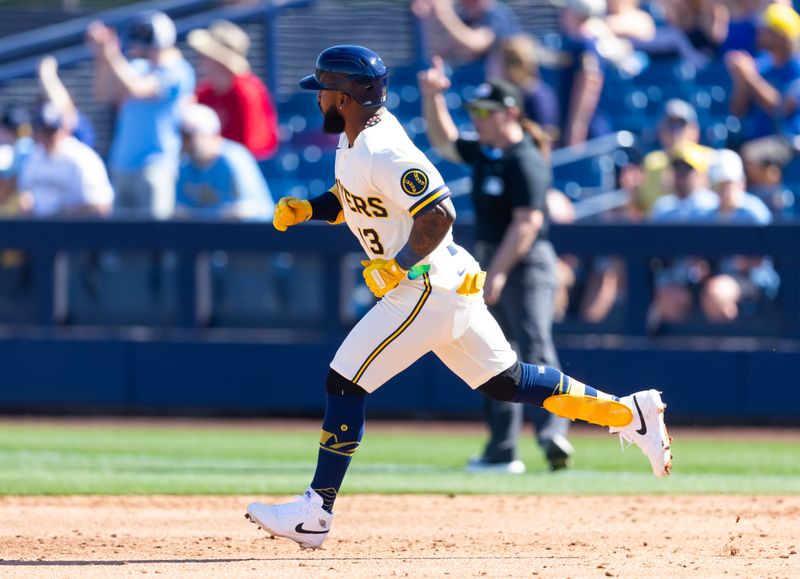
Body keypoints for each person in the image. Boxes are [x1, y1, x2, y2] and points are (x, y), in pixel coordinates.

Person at [244, 45, 672, 550]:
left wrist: (397, 265)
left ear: (343, 96)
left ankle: (317, 510)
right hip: (448, 283)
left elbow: (439, 213)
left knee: (345, 379)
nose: (318, 102)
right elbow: (359, 198)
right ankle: (629, 413)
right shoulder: (356, 142)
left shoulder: (384, 146)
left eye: (323, 93)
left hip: (426, 286)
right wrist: (310, 209)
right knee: (508, 382)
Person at [418, 63, 573, 473]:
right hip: (493, 258)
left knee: (535, 343)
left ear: (510, 113)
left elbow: (528, 223)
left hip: (526, 261)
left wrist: (498, 272)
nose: (478, 118)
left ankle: (553, 430)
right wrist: (434, 97)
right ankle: (502, 449)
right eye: (476, 111)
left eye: (486, 112)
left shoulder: (525, 158)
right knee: (492, 353)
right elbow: (446, 141)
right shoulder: (489, 153)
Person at [87, 10, 195, 219]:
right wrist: (102, 56)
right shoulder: (138, 67)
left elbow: (137, 89)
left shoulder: (178, 71)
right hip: (122, 164)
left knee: (156, 241)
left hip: (156, 165)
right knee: (121, 243)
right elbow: (102, 94)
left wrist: (111, 53)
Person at [727, 3, 800, 213]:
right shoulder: (762, 65)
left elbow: (780, 108)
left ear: (780, 35)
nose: (760, 34)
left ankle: (777, 205)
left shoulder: (796, 68)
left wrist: (750, 78)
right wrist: (741, 82)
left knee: (751, 155)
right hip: (761, 139)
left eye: (766, 30)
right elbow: (737, 111)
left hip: (790, 138)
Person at [698, 149, 777, 323]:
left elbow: (767, 257)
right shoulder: (708, 216)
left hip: (756, 278)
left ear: (741, 183)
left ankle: (735, 343)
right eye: (718, 185)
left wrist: (744, 262)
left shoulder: (754, 212)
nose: (723, 190)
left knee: (717, 293)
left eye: (728, 183)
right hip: (720, 277)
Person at [188, 20, 279, 161]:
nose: (200, 62)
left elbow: (253, 150)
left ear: (219, 61)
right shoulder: (204, 92)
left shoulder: (247, 92)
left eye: (204, 56)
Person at [649, 142, 719, 326]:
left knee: (717, 294)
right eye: (677, 169)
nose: (681, 175)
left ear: (701, 173)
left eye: (687, 169)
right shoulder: (662, 208)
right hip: (675, 275)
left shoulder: (712, 206)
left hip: (709, 276)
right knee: (667, 295)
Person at [176, 104, 274, 220]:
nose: (185, 143)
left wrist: (209, 216)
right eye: (182, 137)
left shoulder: (233, 159)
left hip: (250, 233)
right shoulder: (185, 166)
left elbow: (251, 209)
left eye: (189, 136)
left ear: (209, 135)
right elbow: (180, 210)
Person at [16, 102, 113, 218]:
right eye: (42, 130)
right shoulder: (34, 157)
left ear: (64, 129)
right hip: (39, 228)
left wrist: (65, 213)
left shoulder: (83, 158)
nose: (46, 136)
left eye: (51, 131)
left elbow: (102, 205)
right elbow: (25, 193)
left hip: (73, 229)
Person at [639, 99, 716, 215]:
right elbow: (641, 209)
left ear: (695, 130)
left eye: (681, 124)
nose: (675, 131)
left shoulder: (711, 158)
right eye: (670, 125)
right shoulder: (651, 162)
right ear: (661, 130)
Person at [411, 0, 520, 76]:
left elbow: (476, 44)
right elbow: (440, 50)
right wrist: (428, 19)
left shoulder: (496, 13)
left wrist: (444, 12)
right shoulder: (467, 20)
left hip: (510, 87)